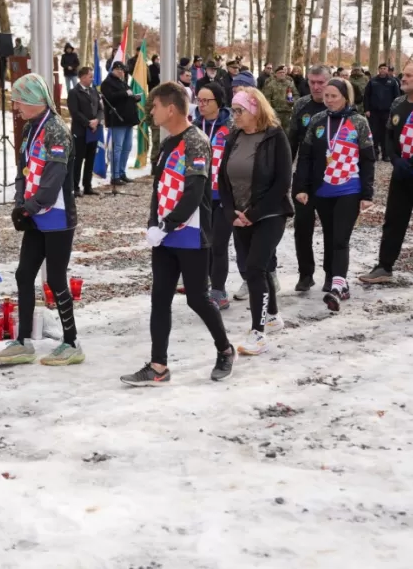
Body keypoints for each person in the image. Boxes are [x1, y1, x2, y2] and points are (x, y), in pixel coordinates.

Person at [120, 82, 236, 385]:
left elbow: (194, 192)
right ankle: (159, 366)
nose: (151, 111)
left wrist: (168, 225)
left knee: (197, 299)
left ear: (171, 108)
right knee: (160, 299)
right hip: (165, 234)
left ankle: (225, 349)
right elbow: (159, 190)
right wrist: (152, 224)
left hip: (191, 234)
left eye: (155, 106)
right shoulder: (168, 142)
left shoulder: (196, 141)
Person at [0, 74, 83, 364]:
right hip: (35, 215)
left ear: (34, 100)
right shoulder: (32, 128)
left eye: (19, 99)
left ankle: (72, 343)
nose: (16, 105)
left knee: (56, 280)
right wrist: (21, 204)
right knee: (23, 274)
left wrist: (29, 206)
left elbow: (54, 179)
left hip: (55, 217)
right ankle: (23, 342)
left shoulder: (56, 129)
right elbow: (24, 170)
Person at [217, 88, 294, 355]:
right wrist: (230, 212)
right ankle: (272, 315)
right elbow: (222, 178)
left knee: (255, 268)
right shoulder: (234, 137)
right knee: (258, 268)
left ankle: (258, 333)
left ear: (255, 110)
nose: (234, 116)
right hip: (239, 216)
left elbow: (282, 182)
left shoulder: (275, 137)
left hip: (270, 214)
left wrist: (254, 213)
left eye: (239, 111)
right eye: (233, 111)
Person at [360, 63, 413, 288]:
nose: (403, 78)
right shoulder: (398, 103)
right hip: (401, 172)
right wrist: (396, 160)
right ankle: (384, 266)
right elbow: (389, 135)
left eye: (409, 75)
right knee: (393, 220)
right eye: (404, 75)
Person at [293, 79, 375, 311]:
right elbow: (306, 157)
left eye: (333, 96)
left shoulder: (359, 122)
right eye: (326, 96)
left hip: (349, 188)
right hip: (322, 189)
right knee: (330, 235)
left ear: (345, 97)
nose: (328, 100)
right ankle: (333, 277)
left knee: (341, 238)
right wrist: (301, 187)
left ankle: (338, 285)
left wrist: (367, 193)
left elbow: (368, 159)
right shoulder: (318, 121)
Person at [194, 82, 245, 309]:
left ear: (218, 102)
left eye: (207, 100)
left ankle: (219, 291)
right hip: (200, 195)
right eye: (199, 100)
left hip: (224, 195)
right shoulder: (194, 126)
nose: (201, 105)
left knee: (219, 244)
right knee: (203, 244)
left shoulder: (231, 127)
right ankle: (205, 287)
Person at [289, 65, 331, 292]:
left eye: (320, 82)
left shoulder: (338, 103)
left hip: (331, 177)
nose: (316, 87)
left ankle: (331, 274)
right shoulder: (301, 105)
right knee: (303, 226)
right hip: (303, 177)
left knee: (330, 228)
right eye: (312, 82)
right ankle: (306, 274)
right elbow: (292, 141)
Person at [101, 61, 140, 186]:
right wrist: (125, 94)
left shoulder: (123, 82)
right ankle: (115, 175)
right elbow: (109, 98)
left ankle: (122, 172)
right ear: (113, 70)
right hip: (117, 120)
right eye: (118, 70)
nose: (121, 72)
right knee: (117, 148)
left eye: (122, 71)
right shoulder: (107, 83)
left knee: (127, 148)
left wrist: (134, 97)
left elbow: (127, 96)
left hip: (128, 119)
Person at [67, 66, 103, 197]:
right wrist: (88, 122)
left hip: (93, 130)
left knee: (90, 159)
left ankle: (87, 186)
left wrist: (97, 121)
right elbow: (75, 112)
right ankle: (75, 187)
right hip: (80, 130)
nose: (92, 79)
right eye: (90, 76)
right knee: (78, 159)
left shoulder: (94, 91)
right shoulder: (74, 92)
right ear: (82, 77)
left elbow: (100, 109)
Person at [364, 63, 401, 161]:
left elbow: (397, 97)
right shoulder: (372, 81)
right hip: (374, 112)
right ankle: (375, 153)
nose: (382, 70)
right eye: (381, 68)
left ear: (387, 70)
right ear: (378, 70)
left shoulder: (392, 82)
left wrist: (395, 110)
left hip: (387, 112)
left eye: (385, 68)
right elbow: (366, 96)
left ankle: (386, 154)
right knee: (374, 133)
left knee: (386, 133)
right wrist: (366, 109)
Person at [261, 64, 299, 134]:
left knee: (287, 132)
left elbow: (296, 95)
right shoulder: (271, 85)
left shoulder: (289, 84)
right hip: (275, 112)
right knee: (274, 131)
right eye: (279, 73)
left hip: (287, 112)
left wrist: (293, 100)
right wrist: (270, 110)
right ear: (276, 74)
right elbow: (267, 99)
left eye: (283, 72)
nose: (282, 74)